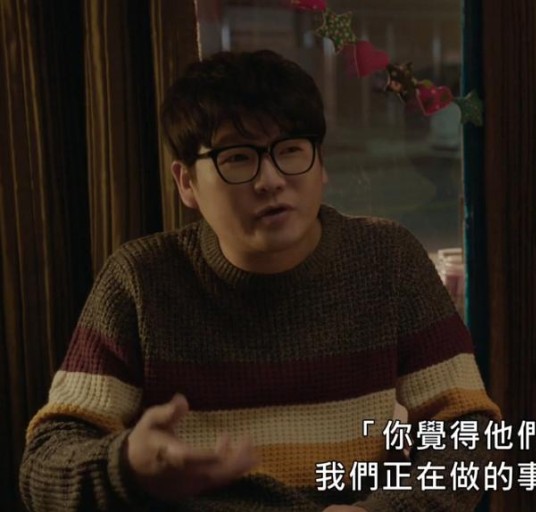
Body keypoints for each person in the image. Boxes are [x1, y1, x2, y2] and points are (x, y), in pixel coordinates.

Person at [19, 49, 501, 511]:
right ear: (186, 182)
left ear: (321, 164)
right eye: (237, 158)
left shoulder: (387, 259)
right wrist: (126, 466)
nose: (270, 179)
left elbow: (470, 430)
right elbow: (45, 465)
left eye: (290, 151)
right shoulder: (140, 280)